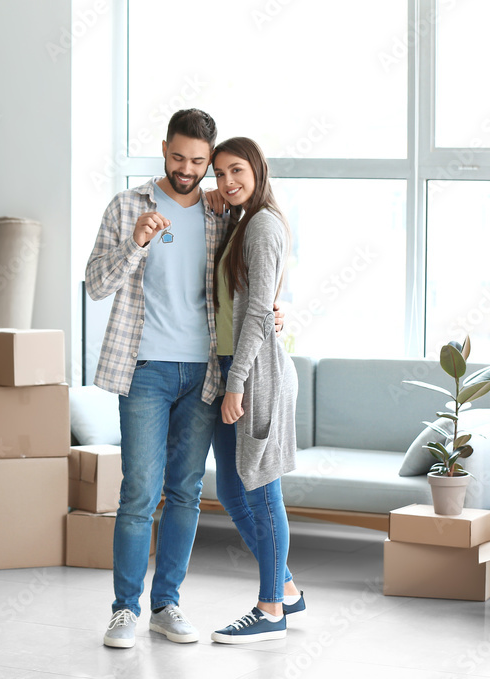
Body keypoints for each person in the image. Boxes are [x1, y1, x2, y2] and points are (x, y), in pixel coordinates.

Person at [86, 110, 283, 649]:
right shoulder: (128, 206)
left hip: (206, 375)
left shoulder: (224, 213)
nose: (188, 170)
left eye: (200, 162)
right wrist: (138, 243)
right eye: (179, 158)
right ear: (164, 149)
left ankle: (166, 605)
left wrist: (273, 309)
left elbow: (242, 286)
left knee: (186, 493)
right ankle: (124, 610)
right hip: (145, 370)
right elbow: (95, 286)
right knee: (138, 494)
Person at [207, 137, 304, 644]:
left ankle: (270, 610)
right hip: (232, 368)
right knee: (230, 488)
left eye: (236, 170)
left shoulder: (263, 224)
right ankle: (285, 587)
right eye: (220, 174)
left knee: (262, 492)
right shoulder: (240, 221)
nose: (227, 182)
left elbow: (260, 312)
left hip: (255, 374)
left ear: (258, 168)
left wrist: (236, 382)